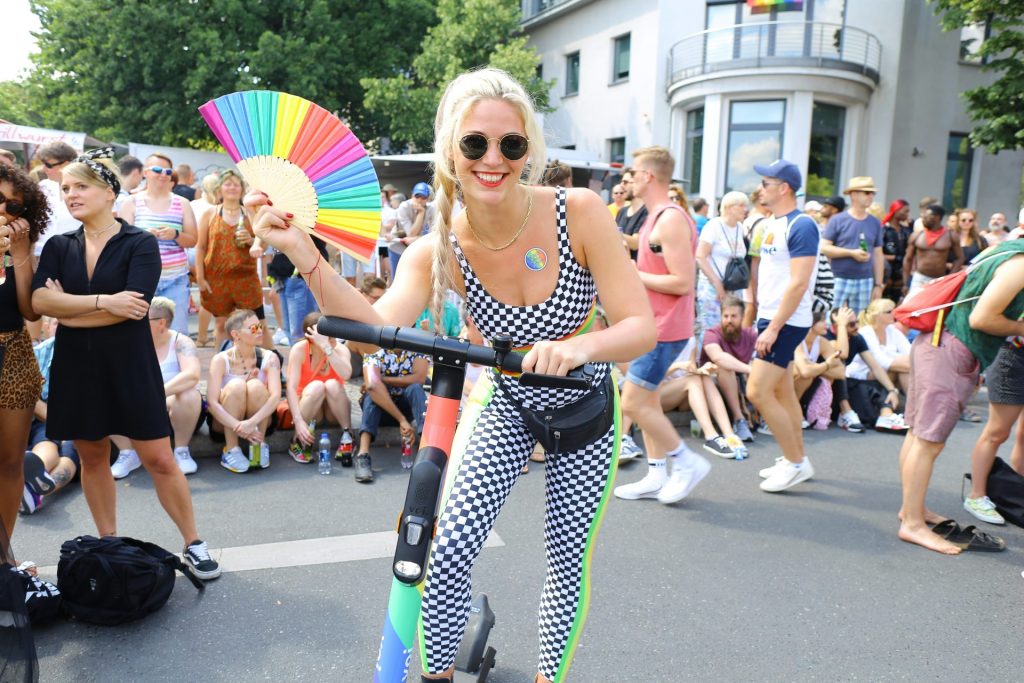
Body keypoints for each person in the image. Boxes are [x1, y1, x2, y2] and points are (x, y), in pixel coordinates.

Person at [247, 67, 654, 683]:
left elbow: (639, 327)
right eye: (474, 144)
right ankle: (439, 675)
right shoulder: (439, 244)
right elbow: (372, 324)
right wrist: (305, 253)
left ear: (529, 152)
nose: (493, 159)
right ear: (450, 150)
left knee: (566, 559)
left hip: (582, 402)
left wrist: (580, 348)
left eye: (511, 145)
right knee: (447, 547)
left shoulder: (580, 211)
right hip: (504, 396)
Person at [30, 148, 219, 579]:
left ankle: (193, 542)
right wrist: (101, 302)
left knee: (160, 457)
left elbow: (133, 309)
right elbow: (41, 302)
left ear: (108, 192)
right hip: (76, 364)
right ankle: (108, 543)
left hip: (130, 364)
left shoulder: (140, 242)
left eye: (81, 186)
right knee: (93, 456)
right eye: (65, 188)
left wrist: (71, 309)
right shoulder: (60, 246)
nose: (71, 194)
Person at [898, 237, 1024, 554]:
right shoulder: (1021, 264)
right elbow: (981, 318)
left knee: (918, 435)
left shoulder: (1006, 249)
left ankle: (912, 511)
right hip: (951, 348)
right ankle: (912, 524)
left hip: (938, 341)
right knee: (929, 441)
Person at [615, 145, 710, 504]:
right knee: (648, 402)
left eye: (634, 173)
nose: (630, 178)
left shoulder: (670, 219)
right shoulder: (655, 216)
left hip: (665, 328)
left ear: (648, 176)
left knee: (634, 403)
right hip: (652, 323)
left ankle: (686, 462)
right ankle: (656, 476)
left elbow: (683, 282)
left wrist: (634, 275)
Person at [744, 159, 820, 493]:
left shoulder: (802, 225)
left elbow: (798, 283)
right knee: (783, 390)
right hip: (773, 317)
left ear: (784, 187)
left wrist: (773, 327)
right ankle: (795, 456)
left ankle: (795, 462)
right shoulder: (771, 223)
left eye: (766, 183)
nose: (761, 189)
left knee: (757, 390)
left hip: (786, 321)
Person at [0, 163, 48, 545]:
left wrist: (18, 253)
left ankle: (3, 555)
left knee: (12, 462)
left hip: (14, 353)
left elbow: (30, 310)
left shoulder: (18, 243)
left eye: (14, 207)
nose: (5, 211)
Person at [118, 153, 198, 334]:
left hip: (175, 280)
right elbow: (121, 242)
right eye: (157, 170)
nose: (163, 174)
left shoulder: (182, 203)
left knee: (177, 334)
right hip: (141, 280)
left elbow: (193, 239)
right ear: (145, 173)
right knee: (138, 333)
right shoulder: (131, 202)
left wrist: (175, 234)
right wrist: (144, 236)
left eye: (168, 171)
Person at [195, 169, 271, 349]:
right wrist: (200, 277)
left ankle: (269, 362)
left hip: (245, 279)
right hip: (217, 279)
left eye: (236, 184)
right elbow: (200, 247)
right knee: (221, 324)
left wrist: (252, 241)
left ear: (242, 190)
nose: (232, 187)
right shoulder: (210, 214)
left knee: (257, 324)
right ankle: (220, 366)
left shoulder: (250, 214)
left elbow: (264, 244)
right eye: (227, 183)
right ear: (219, 189)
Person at [206, 309, 281, 473]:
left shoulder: (270, 357)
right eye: (253, 328)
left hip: (259, 421)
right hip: (225, 422)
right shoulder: (220, 360)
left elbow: (276, 397)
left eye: (260, 326)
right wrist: (239, 426)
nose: (260, 331)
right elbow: (211, 401)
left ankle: (259, 444)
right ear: (236, 334)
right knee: (236, 386)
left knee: (255, 386)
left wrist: (250, 423)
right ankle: (231, 449)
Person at [21, 316, 80, 515]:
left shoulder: (88, 353)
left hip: (82, 424)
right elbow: (29, 397)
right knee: (48, 438)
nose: (62, 327)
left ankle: (33, 492)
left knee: (72, 449)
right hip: (48, 421)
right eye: (57, 323)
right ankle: (34, 483)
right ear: (47, 327)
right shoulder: (36, 354)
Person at [964, 333, 1024, 525]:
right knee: (997, 433)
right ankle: (976, 496)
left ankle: (1018, 491)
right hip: (1015, 356)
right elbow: (984, 320)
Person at [657, 340, 748, 459]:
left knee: (704, 377)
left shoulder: (690, 339)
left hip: (683, 394)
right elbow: (650, 376)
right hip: (658, 395)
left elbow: (692, 370)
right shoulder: (658, 336)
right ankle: (711, 436)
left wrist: (704, 369)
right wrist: (677, 366)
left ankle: (729, 435)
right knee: (693, 380)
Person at [285, 312, 354, 465]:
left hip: (333, 410)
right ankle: (297, 441)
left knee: (331, 384)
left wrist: (327, 347)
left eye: (333, 334)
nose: (332, 339)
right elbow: (291, 388)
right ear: (311, 336)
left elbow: (346, 374)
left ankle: (348, 436)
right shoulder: (299, 350)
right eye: (326, 336)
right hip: (309, 408)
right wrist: (298, 422)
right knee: (317, 386)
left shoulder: (340, 349)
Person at [356, 345, 429, 482]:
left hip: (405, 407)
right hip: (381, 409)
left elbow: (419, 378)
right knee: (372, 393)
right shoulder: (373, 349)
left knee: (415, 389)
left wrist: (383, 379)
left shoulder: (417, 348)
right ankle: (363, 455)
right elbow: (372, 384)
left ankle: (428, 449)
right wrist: (401, 420)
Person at [146, 296, 202, 474]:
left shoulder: (181, 342)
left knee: (189, 394)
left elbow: (192, 375)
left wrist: (158, 395)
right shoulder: (134, 343)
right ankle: (127, 452)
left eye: (142, 319)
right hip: (142, 410)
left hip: (176, 410)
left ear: (161, 323)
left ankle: (181, 450)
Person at [820, 176, 884, 312]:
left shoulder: (875, 222)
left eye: (873, 193)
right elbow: (824, 248)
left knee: (859, 324)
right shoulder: (837, 220)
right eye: (867, 192)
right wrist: (851, 253)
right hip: (838, 278)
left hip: (865, 279)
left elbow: (878, 255)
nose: (871, 196)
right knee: (830, 320)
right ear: (854, 194)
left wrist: (878, 284)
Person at [845, 299, 910, 432]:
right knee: (904, 367)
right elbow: (881, 362)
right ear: (877, 315)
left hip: (883, 371)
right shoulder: (866, 332)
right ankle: (913, 408)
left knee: (904, 369)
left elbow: (910, 353)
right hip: (861, 375)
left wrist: (910, 362)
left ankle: (914, 408)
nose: (894, 313)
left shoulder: (892, 330)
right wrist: (910, 362)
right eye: (889, 311)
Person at [701, 296, 758, 442]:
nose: (729, 320)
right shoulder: (711, 334)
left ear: (742, 317)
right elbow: (718, 357)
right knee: (724, 367)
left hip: (741, 384)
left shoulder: (751, 334)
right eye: (725, 316)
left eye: (734, 316)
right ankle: (740, 421)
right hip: (714, 386)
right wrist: (749, 369)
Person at [695, 190, 749, 339]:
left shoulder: (739, 227)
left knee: (730, 332)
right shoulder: (713, 226)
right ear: (729, 207)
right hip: (712, 288)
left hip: (734, 288)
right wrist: (717, 283)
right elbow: (700, 256)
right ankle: (704, 361)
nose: (746, 209)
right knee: (711, 331)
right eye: (742, 205)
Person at [792, 309, 845, 429]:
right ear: (810, 324)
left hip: (806, 381)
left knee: (825, 376)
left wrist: (815, 367)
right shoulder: (798, 340)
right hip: (785, 380)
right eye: (822, 321)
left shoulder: (822, 342)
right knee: (801, 373)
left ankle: (800, 410)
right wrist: (826, 365)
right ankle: (794, 412)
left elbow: (841, 372)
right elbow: (804, 372)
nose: (826, 324)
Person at [903, 204, 964, 297]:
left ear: (937, 217)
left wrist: (949, 278)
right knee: (911, 306)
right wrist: (906, 283)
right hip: (919, 278)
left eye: (927, 216)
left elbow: (960, 258)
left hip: (939, 279)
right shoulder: (916, 235)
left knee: (933, 309)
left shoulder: (951, 235)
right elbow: (908, 259)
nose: (923, 218)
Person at [389, 181, 435, 277]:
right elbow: (411, 234)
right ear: (412, 196)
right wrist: (421, 213)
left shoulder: (431, 208)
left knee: (414, 278)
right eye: (417, 196)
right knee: (397, 279)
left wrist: (417, 239)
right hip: (398, 247)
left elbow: (434, 234)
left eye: (423, 197)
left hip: (416, 247)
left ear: (428, 199)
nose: (419, 199)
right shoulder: (404, 206)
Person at [881, 199, 911, 300]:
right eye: (905, 211)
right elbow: (877, 253)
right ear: (896, 210)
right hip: (885, 273)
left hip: (901, 274)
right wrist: (895, 258)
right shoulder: (884, 229)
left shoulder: (906, 230)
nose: (907, 214)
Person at [616, 169, 648, 260]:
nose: (621, 186)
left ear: (635, 183)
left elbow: (636, 243)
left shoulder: (646, 211)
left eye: (625, 182)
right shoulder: (622, 211)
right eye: (621, 182)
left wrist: (610, 231)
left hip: (637, 270)